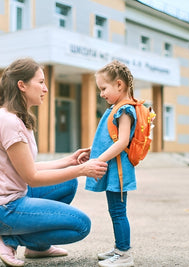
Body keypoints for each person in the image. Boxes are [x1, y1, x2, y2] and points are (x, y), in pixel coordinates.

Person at [0, 58, 108, 267]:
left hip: (9, 201)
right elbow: (32, 178)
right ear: (22, 85)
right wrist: (81, 170)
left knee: (68, 184)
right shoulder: (9, 122)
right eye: (41, 82)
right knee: (81, 225)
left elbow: (29, 168)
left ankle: (37, 247)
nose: (45, 89)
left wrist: (70, 161)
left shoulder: (17, 118)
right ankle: (8, 239)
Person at [81, 60, 137, 267]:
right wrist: (93, 152)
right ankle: (119, 248)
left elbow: (122, 142)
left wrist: (98, 160)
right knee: (115, 211)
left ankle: (124, 254)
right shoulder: (116, 108)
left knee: (118, 212)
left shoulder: (125, 110)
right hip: (114, 169)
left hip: (119, 171)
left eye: (104, 88)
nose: (101, 93)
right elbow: (108, 139)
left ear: (119, 85)